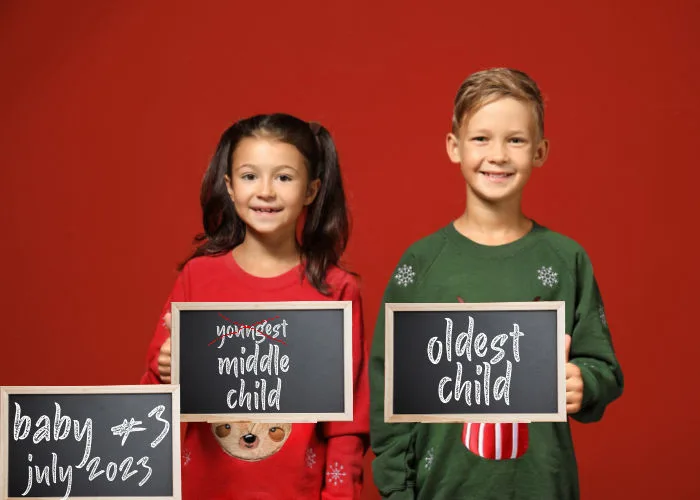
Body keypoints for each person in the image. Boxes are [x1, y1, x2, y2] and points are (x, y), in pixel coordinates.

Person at [368, 68, 624, 499]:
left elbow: (604, 366)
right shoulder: (421, 264)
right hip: (440, 487)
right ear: (454, 147)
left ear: (540, 151)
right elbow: (386, 383)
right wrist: (396, 488)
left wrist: (586, 380)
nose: (499, 155)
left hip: (542, 485)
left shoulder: (565, 259)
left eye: (516, 140)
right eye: (481, 138)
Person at [141, 113, 369, 499]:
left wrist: (340, 494)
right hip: (205, 490)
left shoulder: (335, 290)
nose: (265, 191)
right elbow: (149, 398)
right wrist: (164, 369)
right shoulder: (198, 278)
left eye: (283, 177)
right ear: (229, 187)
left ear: (311, 190)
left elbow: (347, 422)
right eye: (250, 176)